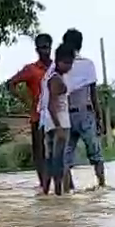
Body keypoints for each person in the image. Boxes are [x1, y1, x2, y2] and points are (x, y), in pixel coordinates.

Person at [56, 29, 105, 189]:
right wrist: (99, 118)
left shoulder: (58, 66)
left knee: (65, 157)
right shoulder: (87, 64)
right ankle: (102, 186)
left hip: (66, 114)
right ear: (80, 44)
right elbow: (93, 94)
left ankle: (67, 190)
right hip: (85, 113)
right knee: (95, 153)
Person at [7, 33, 52, 193]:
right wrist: (26, 100)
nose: (44, 52)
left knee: (59, 152)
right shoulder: (31, 70)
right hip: (37, 117)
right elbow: (10, 84)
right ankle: (44, 186)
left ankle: (65, 186)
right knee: (39, 153)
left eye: (46, 48)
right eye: (40, 49)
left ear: (50, 47)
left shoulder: (57, 68)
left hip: (57, 117)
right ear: (36, 50)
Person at [42, 45, 74, 196]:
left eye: (71, 63)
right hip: (59, 123)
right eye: (66, 63)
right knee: (60, 161)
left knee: (52, 160)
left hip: (51, 124)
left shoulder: (53, 77)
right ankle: (60, 193)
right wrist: (59, 127)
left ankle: (51, 192)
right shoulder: (56, 79)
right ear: (58, 61)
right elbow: (51, 105)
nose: (69, 66)